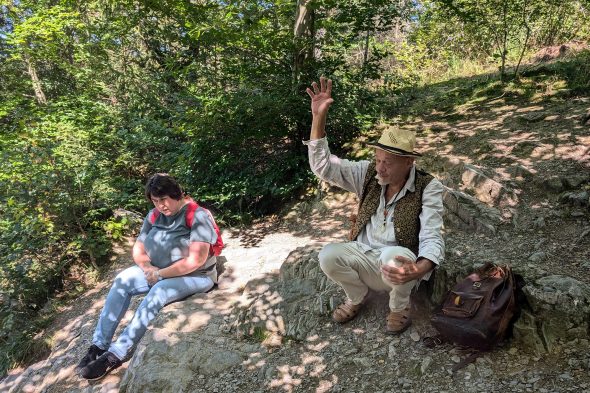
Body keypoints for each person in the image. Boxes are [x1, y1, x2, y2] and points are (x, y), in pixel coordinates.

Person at [304, 77, 444, 334]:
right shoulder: (367, 173)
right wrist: (318, 118)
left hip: (400, 268)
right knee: (329, 255)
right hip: (365, 258)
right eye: (378, 159)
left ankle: (399, 306)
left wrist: (419, 268)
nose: (380, 167)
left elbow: (432, 234)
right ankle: (357, 296)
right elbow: (323, 167)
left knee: (395, 257)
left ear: (409, 162)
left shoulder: (428, 186)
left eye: (388, 162)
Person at [76, 173, 221, 380]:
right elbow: (138, 248)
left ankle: (116, 353)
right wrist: (147, 267)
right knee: (122, 280)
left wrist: (159, 274)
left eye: (164, 199)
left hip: (197, 276)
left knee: (158, 291)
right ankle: (99, 345)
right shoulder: (154, 215)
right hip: (157, 271)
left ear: (177, 195)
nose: (161, 205)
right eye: (155, 201)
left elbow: (196, 261)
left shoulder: (196, 215)